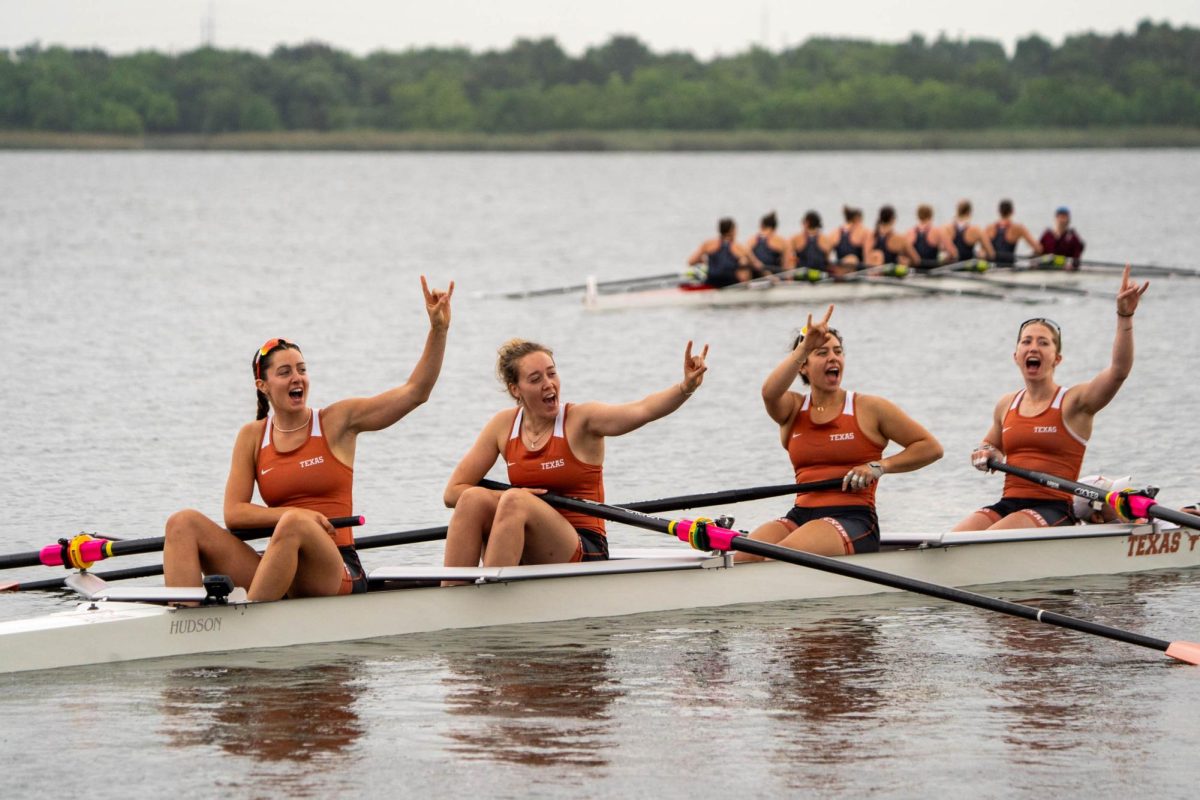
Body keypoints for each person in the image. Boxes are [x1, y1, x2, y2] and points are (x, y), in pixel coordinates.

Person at [162, 277, 454, 600]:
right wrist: (296, 515)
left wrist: (438, 330)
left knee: (292, 526)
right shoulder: (252, 437)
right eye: (284, 372)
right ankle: (184, 625)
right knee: (182, 523)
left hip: (337, 565)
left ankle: (251, 627)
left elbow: (415, 393)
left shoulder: (336, 422)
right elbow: (234, 513)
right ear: (263, 386)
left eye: (301, 369)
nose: (297, 377)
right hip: (280, 561)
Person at [441, 339, 708, 579]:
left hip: (584, 546)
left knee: (515, 501)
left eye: (552, 373)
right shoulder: (502, 425)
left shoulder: (581, 420)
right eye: (535, 379)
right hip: (530, 543)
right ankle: (451, 596)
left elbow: (642, 410)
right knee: (474, 498)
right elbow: (453, 493)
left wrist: (685, 387)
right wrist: (515, 497)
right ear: (516, 390)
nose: (548, 384)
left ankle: (487, 603)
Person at [737, 306, 943, 560]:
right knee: (742, 558)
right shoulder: (791, 409)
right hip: (800, 515)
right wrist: (803, 347)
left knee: (778, 556)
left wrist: (880, 466)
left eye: (838, 352)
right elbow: (769, 392)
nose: (833, 358)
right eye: (821, 353)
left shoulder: (869, 408)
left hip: (853, 518)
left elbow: (930, 447)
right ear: (803, 366)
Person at [953, 267, 1150, 531]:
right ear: (1016, 356)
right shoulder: (1006, 404)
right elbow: (990, 444)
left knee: (987, 539)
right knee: (953, 538)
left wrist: (1124, 316)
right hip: (1008, 503)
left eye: (1043, 343)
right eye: (1027, 341)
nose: (1033, 347)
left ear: (1057, 359)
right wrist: (986, 451)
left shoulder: (1074, 403)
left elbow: (1118, 372)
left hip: (1053, 509)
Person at [687, 218, 762, 287]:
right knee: (745, 265)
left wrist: (704, 261)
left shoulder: (708, 244)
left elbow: (691, 261)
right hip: (730, 283)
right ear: (732, 231)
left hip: (712, 281)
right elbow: (757, 265)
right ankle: (747, 289)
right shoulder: (739, 247)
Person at [985, 199, 1042, 265]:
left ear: (999, 211)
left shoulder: (989, 228)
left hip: (993, 267)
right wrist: (1033, 256)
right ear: (1012, 211)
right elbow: (1038, 248)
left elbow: (982, 252)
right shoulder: (1018, 228)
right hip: (1010, 266)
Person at [867, 205, 920, 269]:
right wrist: (908, 262)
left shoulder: (870, 236)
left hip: (873, 275)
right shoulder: (900, 238)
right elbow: (916, 260)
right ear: (893, 219)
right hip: (893, 276)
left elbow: (866, 260)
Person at [943, 199, 995, 264]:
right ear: (969, 212)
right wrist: (982, 254)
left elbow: (942, 249)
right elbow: (991, 253)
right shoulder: (976, 230)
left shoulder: (946, 228)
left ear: (957, 211)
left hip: (950, 266)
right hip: (968, 266)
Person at [746, 211, 793, 276]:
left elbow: (746, 253)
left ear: (761, 225)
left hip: (756, 276)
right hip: (775, 277)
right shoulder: (782, 241)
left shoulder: (752, 240)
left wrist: (756, 263)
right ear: (775, 228)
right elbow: (786, 265)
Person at [908, 204, 951, 269]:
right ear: (931, 216)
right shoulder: (938, 231)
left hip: (915, 267)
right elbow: (953, 253)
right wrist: (945, 258)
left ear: (918, 216)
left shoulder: (909, 232)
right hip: (933, 267)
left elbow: (902, 255)